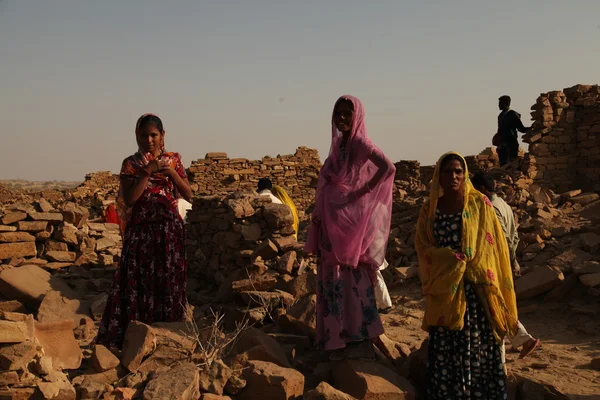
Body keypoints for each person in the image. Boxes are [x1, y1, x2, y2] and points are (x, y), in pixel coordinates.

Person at [415, 151, 518, 399]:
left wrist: (471, 262)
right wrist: (448, 258)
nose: (453, 176)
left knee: (478, 348)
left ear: (465, 175)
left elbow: (493, 247)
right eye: (448, 171)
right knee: (446, 350)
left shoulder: (479, 204)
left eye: (458, 171)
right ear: (439, 175)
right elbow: (423, 246)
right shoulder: (430, 209)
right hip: (445, 292)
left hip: (476, 293)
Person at [305, 95, 395, 360]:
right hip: (329, 222)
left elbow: (387, 168)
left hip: (347, 223)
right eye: (338, 113)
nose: (342, 118)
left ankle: (355, 332)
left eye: (347, 113)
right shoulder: (339, 145)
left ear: (357, 116)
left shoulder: (359, 142)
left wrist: (360, 192)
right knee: (331, 276)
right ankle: (335, 336)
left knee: (350, 275)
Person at [97, 113, 193, 349]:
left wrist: (170, 172)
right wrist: (147, 171)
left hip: (168, 231)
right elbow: (130, 199)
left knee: (168, 282)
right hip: (141, 233)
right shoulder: (131, 164)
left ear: (163, 135)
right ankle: (135, 338)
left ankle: (168, 338)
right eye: (144, 135)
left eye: (154, 135)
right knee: (137, 282)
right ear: (137, 136)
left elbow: (188, 194)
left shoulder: (174, 160)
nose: (149, 140)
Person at [471, 171, 541, 359]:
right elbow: (514, 237)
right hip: (504, 262)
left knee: (495, 304)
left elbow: (502, 240)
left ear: (483, 189)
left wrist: (508, 261)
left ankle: (519, 343)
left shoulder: (491, 207)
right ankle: (522, 340)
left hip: (496, 264)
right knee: (498, 303)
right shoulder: (504, 205)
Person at [494, 95, 530, 166]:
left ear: (506, 103)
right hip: (502, 146)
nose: (498, 105)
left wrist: (532, 128)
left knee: (511, 166)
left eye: (500, 103)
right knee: (503, 167)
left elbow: (521, 128)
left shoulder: (512, 114)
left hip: (511, 145)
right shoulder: (501, 116)